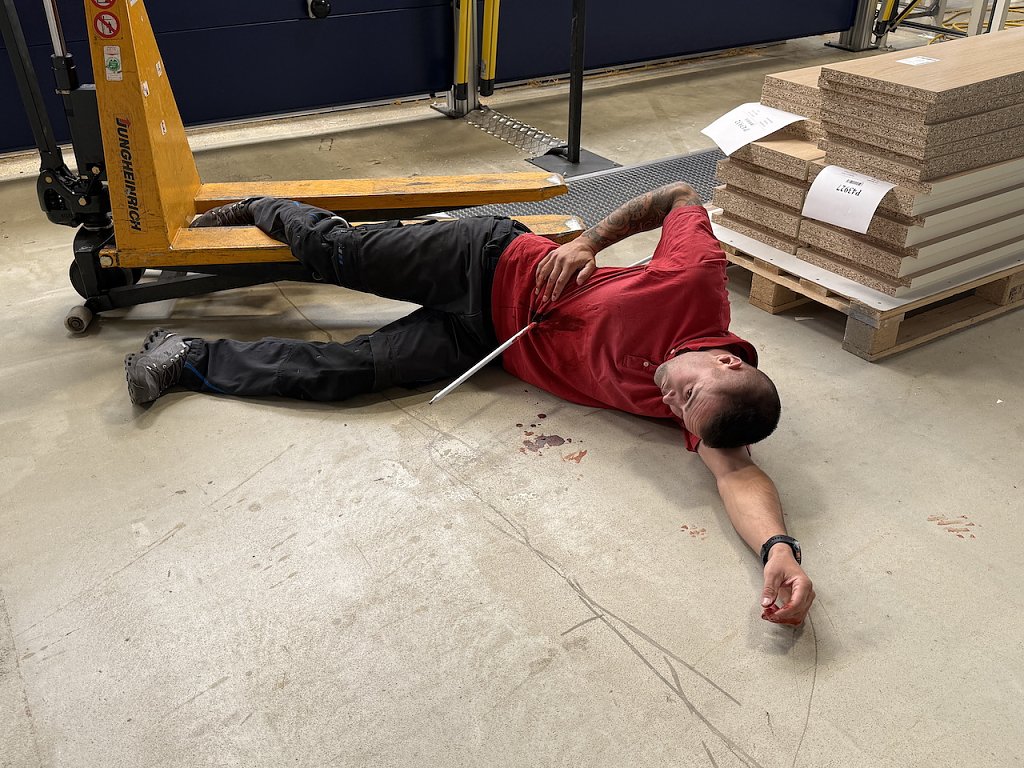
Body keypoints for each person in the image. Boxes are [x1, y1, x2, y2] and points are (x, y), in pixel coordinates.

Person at [124, 183, 815, 625]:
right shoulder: (696, 280)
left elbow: (738, 473)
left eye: (679, 412)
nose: (668, 398)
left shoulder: (712, 412)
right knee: (340, 256)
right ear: (727, 359)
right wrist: (587, 242)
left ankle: (186, 357)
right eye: (684, 390)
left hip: (484, 342)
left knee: (352, 372)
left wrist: (778, 550)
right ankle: (263, 206)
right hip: (485, 260)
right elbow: (678, 194)